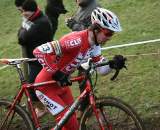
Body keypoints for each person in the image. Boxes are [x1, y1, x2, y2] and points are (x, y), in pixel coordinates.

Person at [33, 7, 126, 130]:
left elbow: (101, 71)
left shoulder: (95, 46)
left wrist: (112, 65)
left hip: (62, 86)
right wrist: (56, 72)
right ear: (96, 29)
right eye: (108, 33)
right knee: (70, 124)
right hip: (45, 86)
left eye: (112, 34)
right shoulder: (74, 40)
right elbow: (38, 51)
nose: (109, 37)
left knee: (73, 126)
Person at [15, 0, 53, 114]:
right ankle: (43, 105)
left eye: (25, 13)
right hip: (34, 58)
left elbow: (21, 39)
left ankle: (41, 109)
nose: (23, 15)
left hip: (40, 60)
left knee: (31, 86)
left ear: (32, 12)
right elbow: (21, 34)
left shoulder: (40, 23)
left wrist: (24, 27)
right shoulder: (34, 19)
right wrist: (24, 27)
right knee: (36, 84)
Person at [65, 0, 100, 118]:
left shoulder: (95, 8)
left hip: (89, 48)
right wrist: (73, 22)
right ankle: (90, 102)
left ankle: (85, 108)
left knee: (83, 78)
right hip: (80, 48)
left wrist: (73, 25)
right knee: (81, 78)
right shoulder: (82, 6)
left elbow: (91, 31)